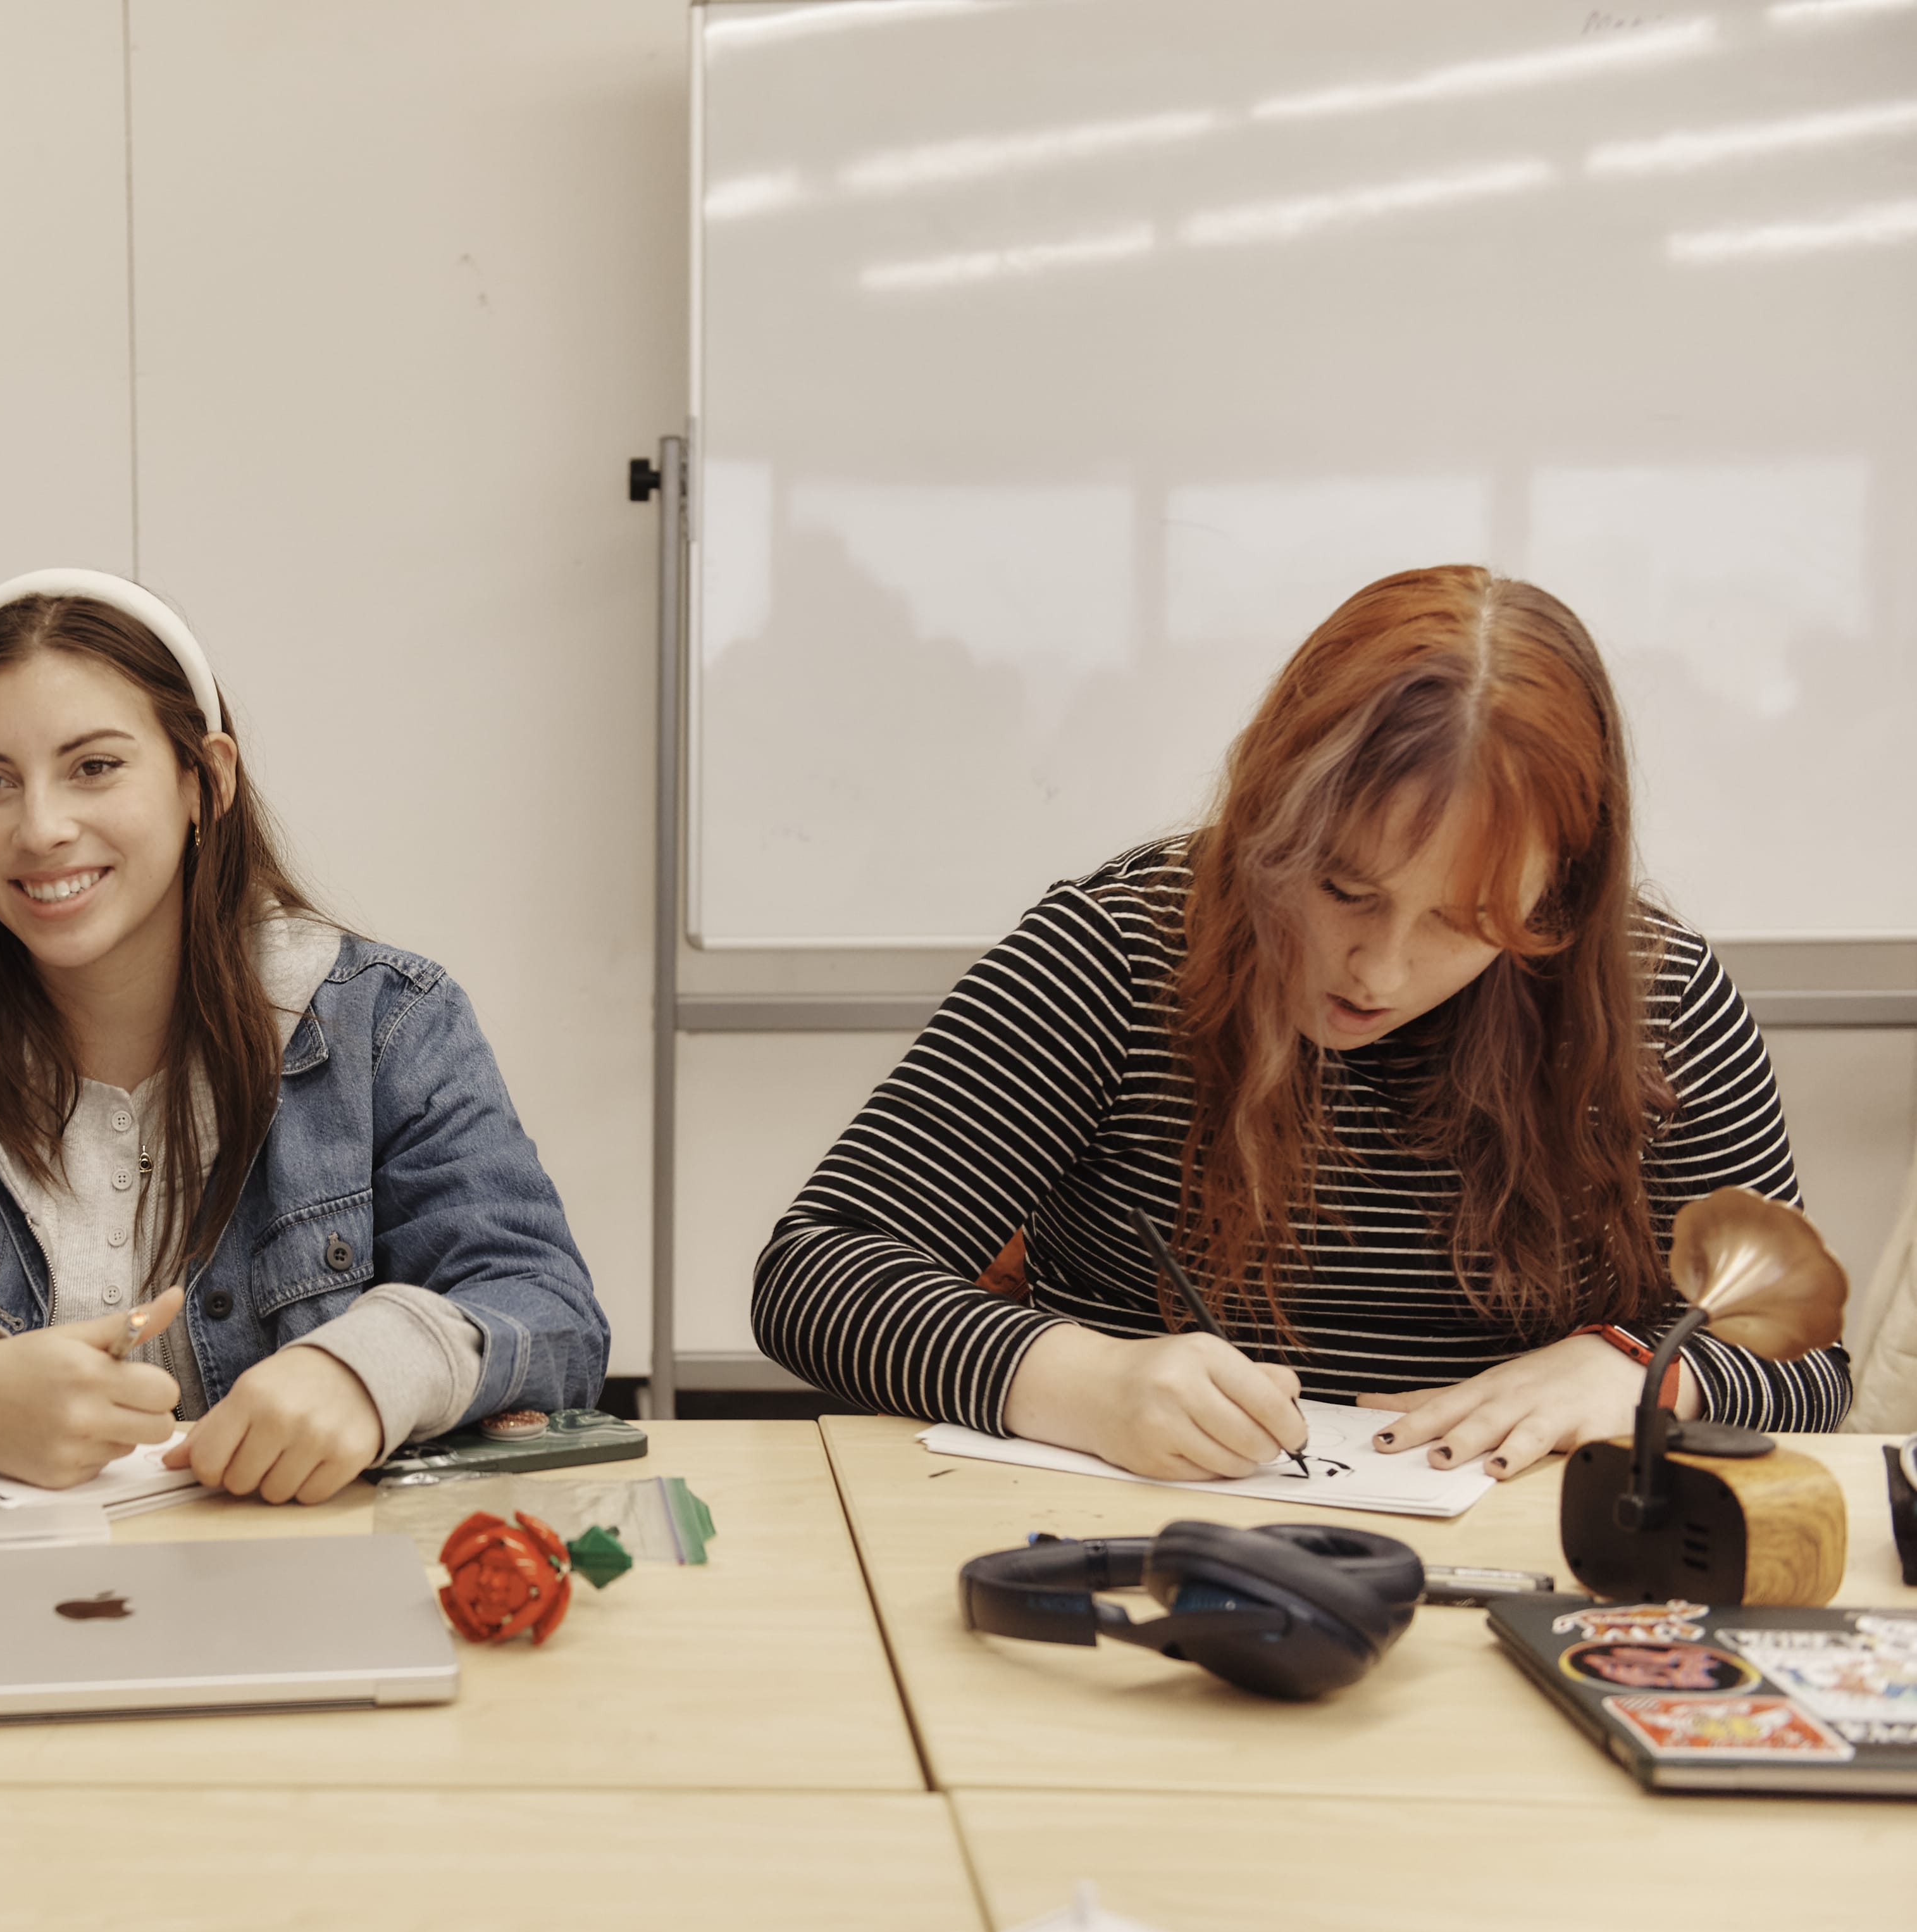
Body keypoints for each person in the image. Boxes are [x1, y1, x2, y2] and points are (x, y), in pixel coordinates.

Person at [752, 565, 1851, 1482]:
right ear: (1272, 816)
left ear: (1557, 897)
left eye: (1465, 923)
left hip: (1522, 1578)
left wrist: (1633, 1370)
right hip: (1127, 1548)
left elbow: (1805, 1364)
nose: (1376, 968)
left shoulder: (1652, 1001)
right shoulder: (1123, 950)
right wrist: (1082, 1380)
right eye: (1340, 888)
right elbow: (818, 1270)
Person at [0, 570, 605, 1504]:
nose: (41, 827)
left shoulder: (386, 1019)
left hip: (297, 1585)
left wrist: (369, 1370)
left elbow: (546, 1306)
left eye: (95, 766)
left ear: (206, 780)